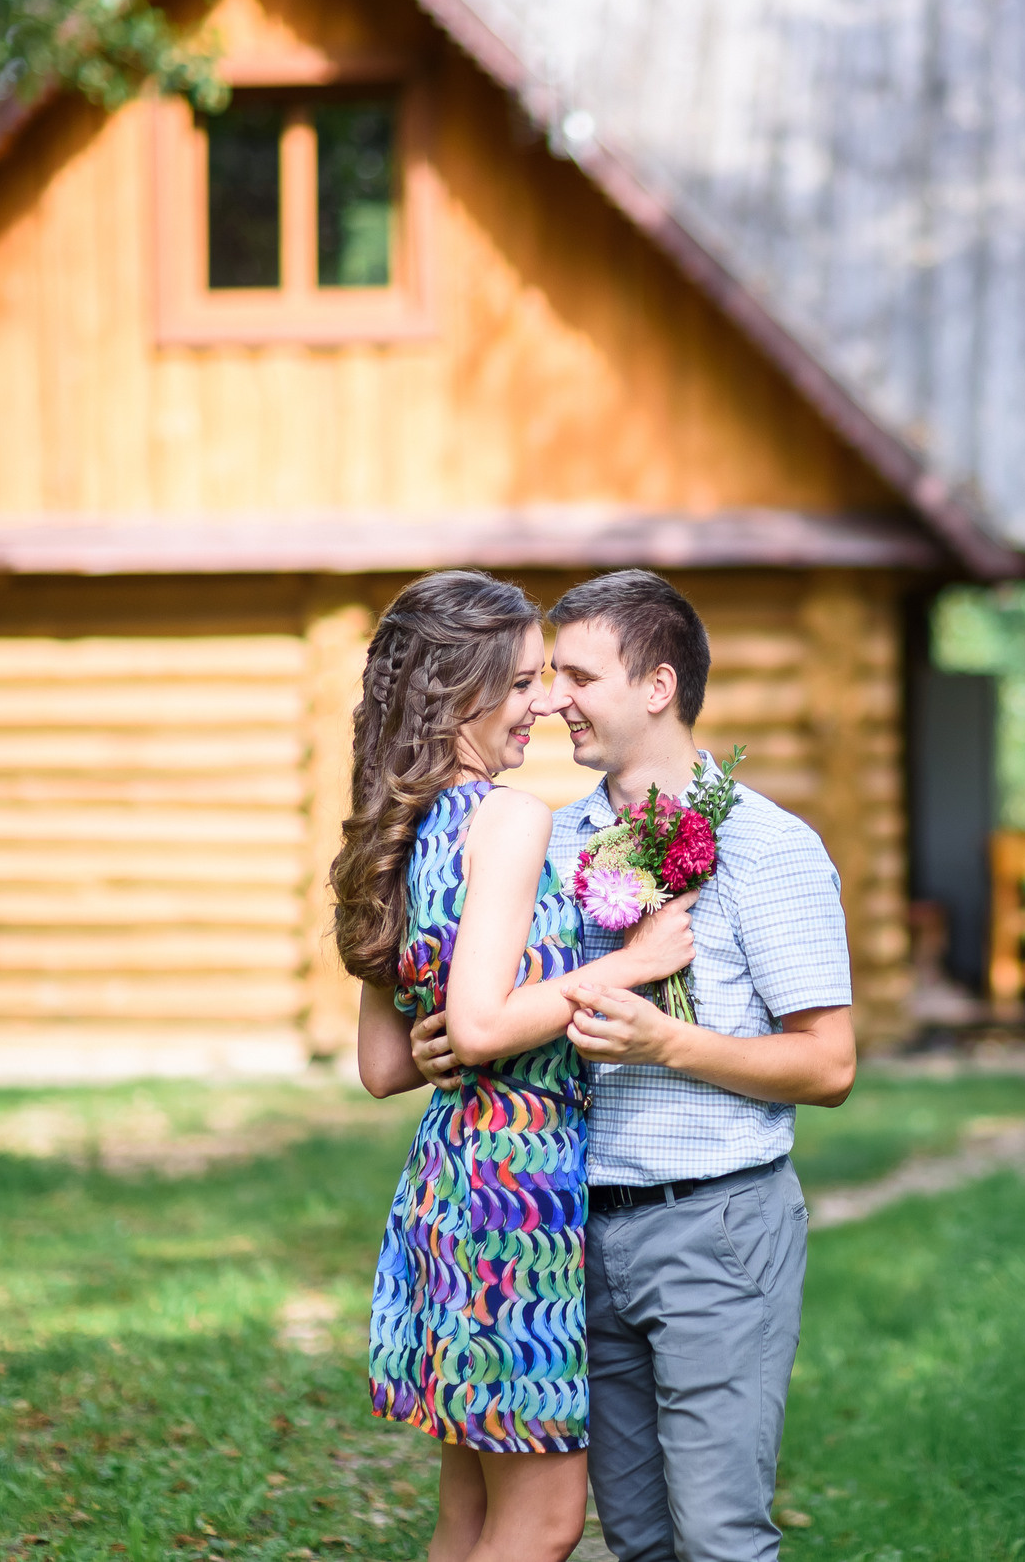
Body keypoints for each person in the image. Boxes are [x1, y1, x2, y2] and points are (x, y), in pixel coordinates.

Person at [334, 569, 699, 1562]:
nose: (544, 704)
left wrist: (450, 1027)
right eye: (526, 682)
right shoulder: (509, 815)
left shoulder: (396, 829)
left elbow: (381, 1062)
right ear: (462, 689)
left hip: (446, 1182)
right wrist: (626, 962)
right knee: (541, 1519)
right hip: (514, 1194)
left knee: (468, 1511)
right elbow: (488, 1021)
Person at [544, 569, 857, 1562]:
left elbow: (829, 1062)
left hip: (717, 1227)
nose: (553, 698)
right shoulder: (551, 845)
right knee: (636, 1538)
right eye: (550, 674)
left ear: (657, 685)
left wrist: (664, 1039)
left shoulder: (769, 846)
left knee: (718, 1536)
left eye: (578, 674)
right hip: (578, 1231)